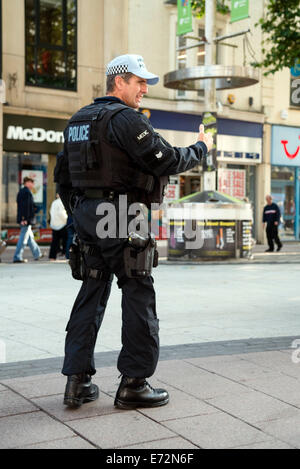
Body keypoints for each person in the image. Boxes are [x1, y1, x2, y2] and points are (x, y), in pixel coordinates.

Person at [55, 54, 213, 410]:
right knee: (138, 291)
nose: (144, 89)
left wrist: (81, 215)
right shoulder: (124, 118)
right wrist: (200, 148)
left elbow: (62, 179)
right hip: (123, 214)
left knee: (92, 290)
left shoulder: (77, 121)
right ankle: (134, 383)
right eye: (139, 81)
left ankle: (76, 383)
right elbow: (165, 158)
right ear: (118, 82)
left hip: (87, 215)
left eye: (145, 82)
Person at [13, 176, 43, 263]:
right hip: (25, 220)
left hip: (26, 219)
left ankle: (37, 254)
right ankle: (17, 257)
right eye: (32, 182)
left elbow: (29, 206)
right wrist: (24, 218)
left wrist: (36, 208)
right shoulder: (25, 192)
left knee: (30, 238)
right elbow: (23, 207)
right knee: (23, 239)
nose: (33, 184)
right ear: (27, 182)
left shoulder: (25, 192)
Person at [48, 194, 68, 260]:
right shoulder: (62, 202)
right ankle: (65, 254)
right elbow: (61, 213)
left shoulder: (54, 202)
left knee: (54, 242)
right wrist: (66, 220)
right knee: (65, 240)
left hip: (54, 225)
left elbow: (51, 212)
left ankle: (52, 256)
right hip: (62, 224)